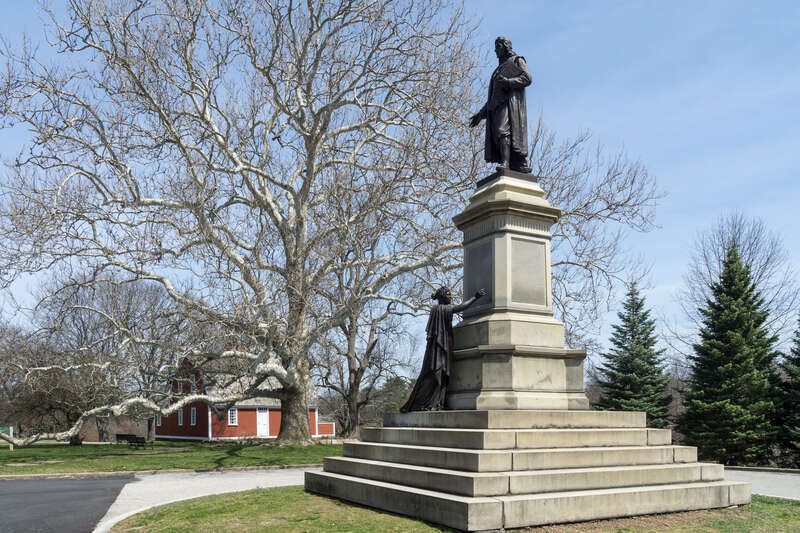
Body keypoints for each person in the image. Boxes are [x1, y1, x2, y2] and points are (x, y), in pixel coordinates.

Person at [400, 287, 485, 412]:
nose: (450, 297)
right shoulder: (441, 309)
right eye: (448, 295)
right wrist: (475, 297)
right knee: (437, 374)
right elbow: (461, 307)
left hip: (441, 345)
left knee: (440, 374)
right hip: (440, 347)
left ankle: (437, 402)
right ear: (442, 297)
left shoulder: (437, 309)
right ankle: (429, 403)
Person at [469, 36, 532, 173]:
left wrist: (508, 82)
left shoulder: (517, 61)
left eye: (498, 47)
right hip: (497, 106)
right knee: (498, 134)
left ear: (506, 47)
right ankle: (511, 162)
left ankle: (506, 162)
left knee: (503, 131)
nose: (495, 50)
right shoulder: (498, 70)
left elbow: (527, 78)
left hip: (509, 105)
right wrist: (480, 114)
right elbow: (493, 97)